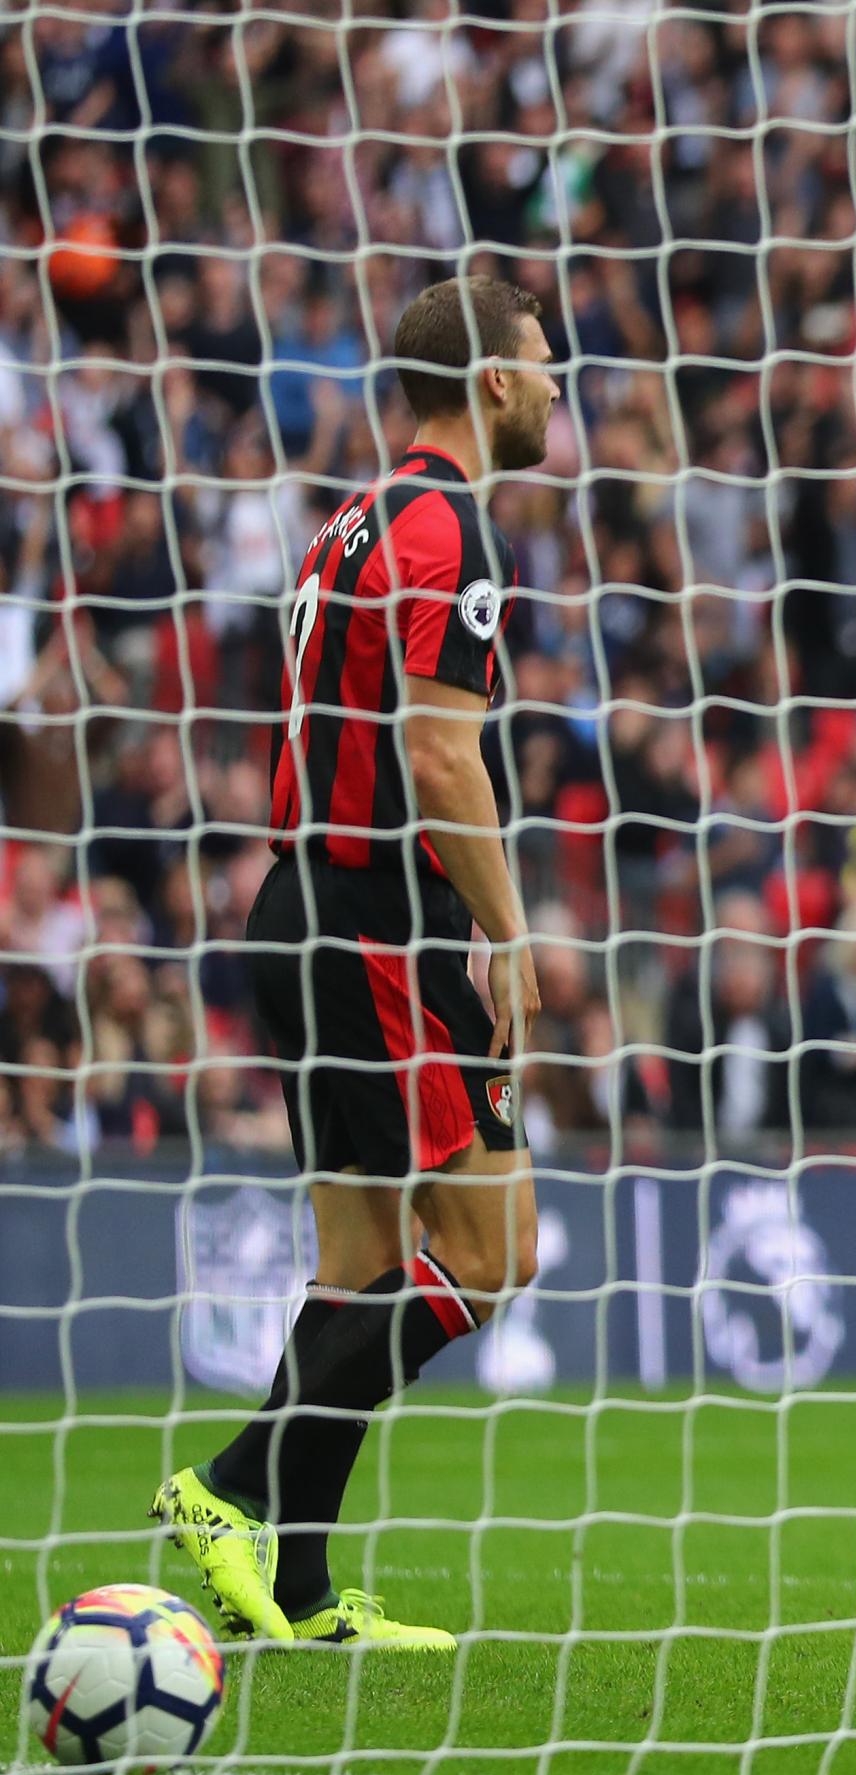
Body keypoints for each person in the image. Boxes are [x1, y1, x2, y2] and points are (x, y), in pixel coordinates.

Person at [151, 275, 558, 1648]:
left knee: (362, 1259)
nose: (560, 386)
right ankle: (235, 1480)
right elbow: (442, 752)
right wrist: (508, 930)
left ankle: (303, 1585)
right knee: (495, 1254)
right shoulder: (452, 527)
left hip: (300, 910)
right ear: (493, 381)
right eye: (544, 363)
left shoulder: (354, 516)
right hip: (381, 921)